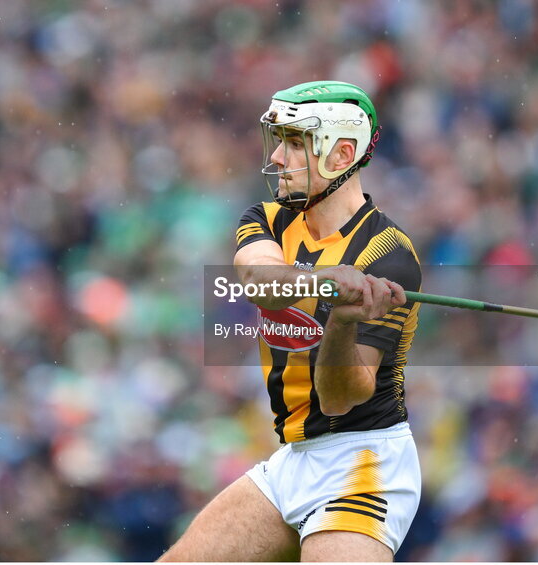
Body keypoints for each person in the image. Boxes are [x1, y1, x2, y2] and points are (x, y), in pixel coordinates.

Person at [161, 81, 422, 561]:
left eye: (296, 143)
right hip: (294, 460)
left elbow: (341, 398)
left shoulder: (390, 255)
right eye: (279, 140)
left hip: (362, 465)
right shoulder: (268, 218)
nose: (278, 157)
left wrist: (343, 319)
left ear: (342, 154)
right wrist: (324, 281)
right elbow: (257, 279)